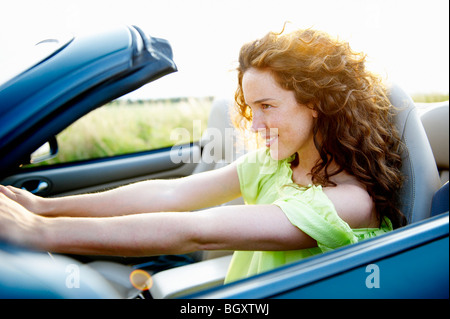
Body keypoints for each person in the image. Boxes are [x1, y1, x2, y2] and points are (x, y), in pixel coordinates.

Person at [0, 27, 405, 284]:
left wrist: (40, 232)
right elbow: (170, 196)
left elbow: (197, 228)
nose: (256, 123)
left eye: (268, 106)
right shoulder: (278, 162)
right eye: (252, 108)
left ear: (315, 101)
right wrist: (44, 207)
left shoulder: (348, 203)